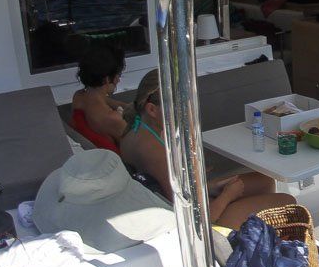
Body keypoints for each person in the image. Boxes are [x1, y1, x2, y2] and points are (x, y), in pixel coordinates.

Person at [120, 69, 296, 230]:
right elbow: (195, 218)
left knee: (265, 181)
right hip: (200, 222)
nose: (185, 111)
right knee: (289, 203)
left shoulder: (138, 130)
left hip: (194, 199)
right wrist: (227, 195)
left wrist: (209, 187)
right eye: (178, 107)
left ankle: (254, 231)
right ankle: (239, 240)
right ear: (151, 109)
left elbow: (175, 190)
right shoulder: (152, 151)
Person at [69, 45, 132, 151]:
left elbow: (105, 100)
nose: (118, 80)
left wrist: (128, 106)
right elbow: (133, 152)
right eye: (118, 75)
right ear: (107, 79)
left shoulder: (79, 97)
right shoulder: (113, 119)